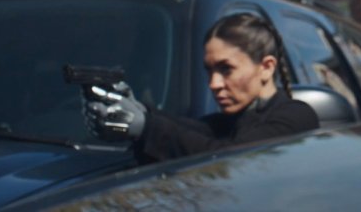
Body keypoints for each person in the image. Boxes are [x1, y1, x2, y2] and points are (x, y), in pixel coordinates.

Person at [82, 13, 320, 163]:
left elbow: (230, 158)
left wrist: (146, 126)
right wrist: (137, 110)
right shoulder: (230, 122)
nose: (214, 84)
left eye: (226, 69)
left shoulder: (297, 117)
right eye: (209, 70)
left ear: (266, 67)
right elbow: (190, 130)